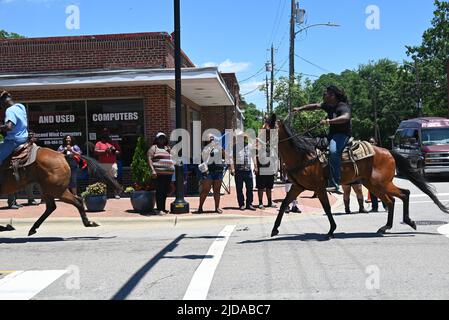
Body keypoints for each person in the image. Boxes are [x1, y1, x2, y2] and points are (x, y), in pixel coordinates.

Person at [294, 85, 352, 194]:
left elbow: (346, 117)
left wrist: (328, 121)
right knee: (312, 146)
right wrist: (300, 108)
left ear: (333, 95)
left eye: (327, 93)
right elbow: (315, 106)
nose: (324, 95)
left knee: (334, 152)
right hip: (331, 135)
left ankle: (334, 183)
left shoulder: (342, 106)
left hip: (342, 135)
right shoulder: (329, 106)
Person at [197, 134, 225, 214]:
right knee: (205, 190)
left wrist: (221, 149)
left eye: (213, 139)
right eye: (210, 139)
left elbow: (225, 156)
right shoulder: (204, 149)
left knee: (217, 191)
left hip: (218, 171)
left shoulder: (218, 147)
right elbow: (203, 158)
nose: (212, 140)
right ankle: (200, 207)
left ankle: (217, 208)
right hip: (208, 172)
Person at [148, 132, 175, 214]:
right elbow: (149, 158)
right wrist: (152, 170)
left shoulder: (167, 148)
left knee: (165, 191)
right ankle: (159, 209)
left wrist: (171, 151)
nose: (162, 139)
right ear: (156, 139)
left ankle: (163, 208)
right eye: (160, 138)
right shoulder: (154, 148)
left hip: (168, 174)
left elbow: (174, 158)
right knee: (159, 191)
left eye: (163, 138)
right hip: (158, 174)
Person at [0, 91, 29, 169]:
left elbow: (9, 127)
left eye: (1, 105)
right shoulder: (21, 107)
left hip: (14, 141)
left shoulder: (9, 110)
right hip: (24, 139)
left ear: (3, 102)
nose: (1, 107)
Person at [230, 132, 257, 211]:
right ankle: (241, 204)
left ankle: (249, 204)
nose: (242, 139)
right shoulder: (235, 147)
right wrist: (232, 168)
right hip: (239, 171)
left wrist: (255, 167)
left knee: (250, 188)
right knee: (239, 188)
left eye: (243, 138)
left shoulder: (250, 146)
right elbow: (231, 158)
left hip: (248, 171)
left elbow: (254, 156)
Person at [255, 120, 277, 210]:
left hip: (270, 167)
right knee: (260, 187)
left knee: (269, 187)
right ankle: (260, 203)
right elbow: (256, 153)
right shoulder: (258, 141)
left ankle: (269, 202)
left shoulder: (271, 143)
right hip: (261, 167)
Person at [95, 129, 121, 199]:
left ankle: (115, 193)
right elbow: (96, 151)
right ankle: (103, 193)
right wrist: (105, 151)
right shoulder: (99, 143)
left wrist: (114, 151)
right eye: (104, 133)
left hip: (112, 163)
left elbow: (118, 152)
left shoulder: (113, 142)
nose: (105, 135)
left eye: (107, 133)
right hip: (102, 164)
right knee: (103, 179)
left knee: (114, 178)